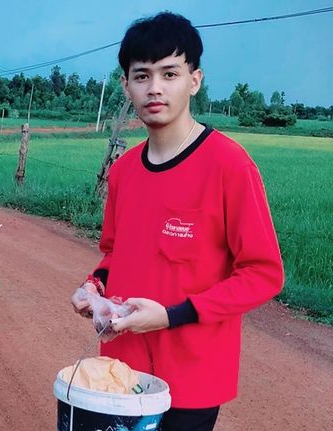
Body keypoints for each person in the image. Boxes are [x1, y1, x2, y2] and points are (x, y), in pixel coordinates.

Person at [71, 12, 283, 431]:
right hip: (123, 369)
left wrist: (172, 315)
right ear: (125, 85)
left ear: (195, 80)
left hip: (191, 379)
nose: (155, 88)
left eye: (170, 73)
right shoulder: (124, 172)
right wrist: (94, 287)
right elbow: (115, 254)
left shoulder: (228, 166)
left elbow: (263, 273)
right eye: (142, 75)